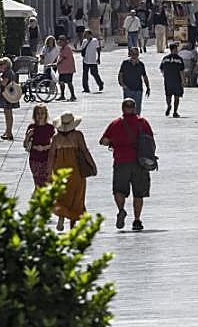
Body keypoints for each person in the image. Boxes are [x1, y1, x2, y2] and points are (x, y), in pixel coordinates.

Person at [99, 98, 154, 231]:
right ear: (134, 108)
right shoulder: (143, 122)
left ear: (123, 108)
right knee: (138, 193)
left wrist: (113, 142)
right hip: (140, 162)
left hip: (121, 161)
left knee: (119, 190)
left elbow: (104, 141)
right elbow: (150, 139)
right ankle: (137, 220)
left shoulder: (116, 123)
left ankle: (121, 210)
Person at [49, 111, 94, 231]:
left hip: (59, 169)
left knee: (62, 195)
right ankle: (73, 224)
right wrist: (92, 164)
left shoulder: (56, 138)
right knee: (77, 195)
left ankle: (61, 216)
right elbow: (85, 151)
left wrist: (49, 172)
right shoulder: (78, 135)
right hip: (76, 170)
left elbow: (51, 155)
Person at [24, 104, 55, 191]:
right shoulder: (32, 127)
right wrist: (28, 136)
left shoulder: (50, 127)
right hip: (35, 159)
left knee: (48, 182)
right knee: (38, 183)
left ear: (46, 115)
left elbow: (55, 144)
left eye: (42, 113)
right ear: (34, 115)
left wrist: (45, 147)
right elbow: (25, 145)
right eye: (38, 113)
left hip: (47, 159)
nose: (40, 116)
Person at [118, 45, 151, 113]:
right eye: (132, 53)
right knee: (127, 108)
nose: (134, 55)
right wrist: (122, 84)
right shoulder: (125, 63)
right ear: (130, 54)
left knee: (137, 108)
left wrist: (148, 87)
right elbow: (120, 74)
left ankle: (136, 119)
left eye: (136, 54)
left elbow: (144, 76)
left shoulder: (141, 64)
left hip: (138, 89)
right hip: (128, 89)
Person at [159, 42, 186, 117]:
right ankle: (175, 111)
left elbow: (161, 69)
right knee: (177, 96)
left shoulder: (165, 59)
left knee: (168, 95)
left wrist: (165, 75)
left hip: (168, 80)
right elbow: (181, 71)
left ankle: (169, 105)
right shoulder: (179, 59)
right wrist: (183, 81)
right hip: (177, 80)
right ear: (174, 49)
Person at [0, 56, 20, 140]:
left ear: (6, 64)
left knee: (8, 114)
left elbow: (4, 83)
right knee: (8, 114)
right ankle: (7, 131)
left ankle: (9, 132)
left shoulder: (7, 73)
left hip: (7, 96)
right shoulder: (11, 72)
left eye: (1, 64)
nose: (0, 66)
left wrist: (0, 78)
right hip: (10, 95)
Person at [80, 28, 104, 94]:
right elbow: (82, 49)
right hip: (85, 60)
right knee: (85, 74)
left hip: (93, 60)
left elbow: (98, 49)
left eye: (87, 34)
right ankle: (86, 88)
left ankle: (100, 83)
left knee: (94, 73)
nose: (86, 36)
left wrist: (98, 58)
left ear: (90, 34)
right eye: (85, 34)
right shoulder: (84, 41)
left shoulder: (95, 41)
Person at [56, 35, 77, 101]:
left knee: (69, 82)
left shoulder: (67, 48)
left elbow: (63, 57)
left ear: (64, 41)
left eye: (61, 41)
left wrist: (57, 63)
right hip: (62, 69)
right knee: (61, 82)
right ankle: (62, 95)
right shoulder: (61, 48)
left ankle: (73, 95)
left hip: (68, 69)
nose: (59, 43)